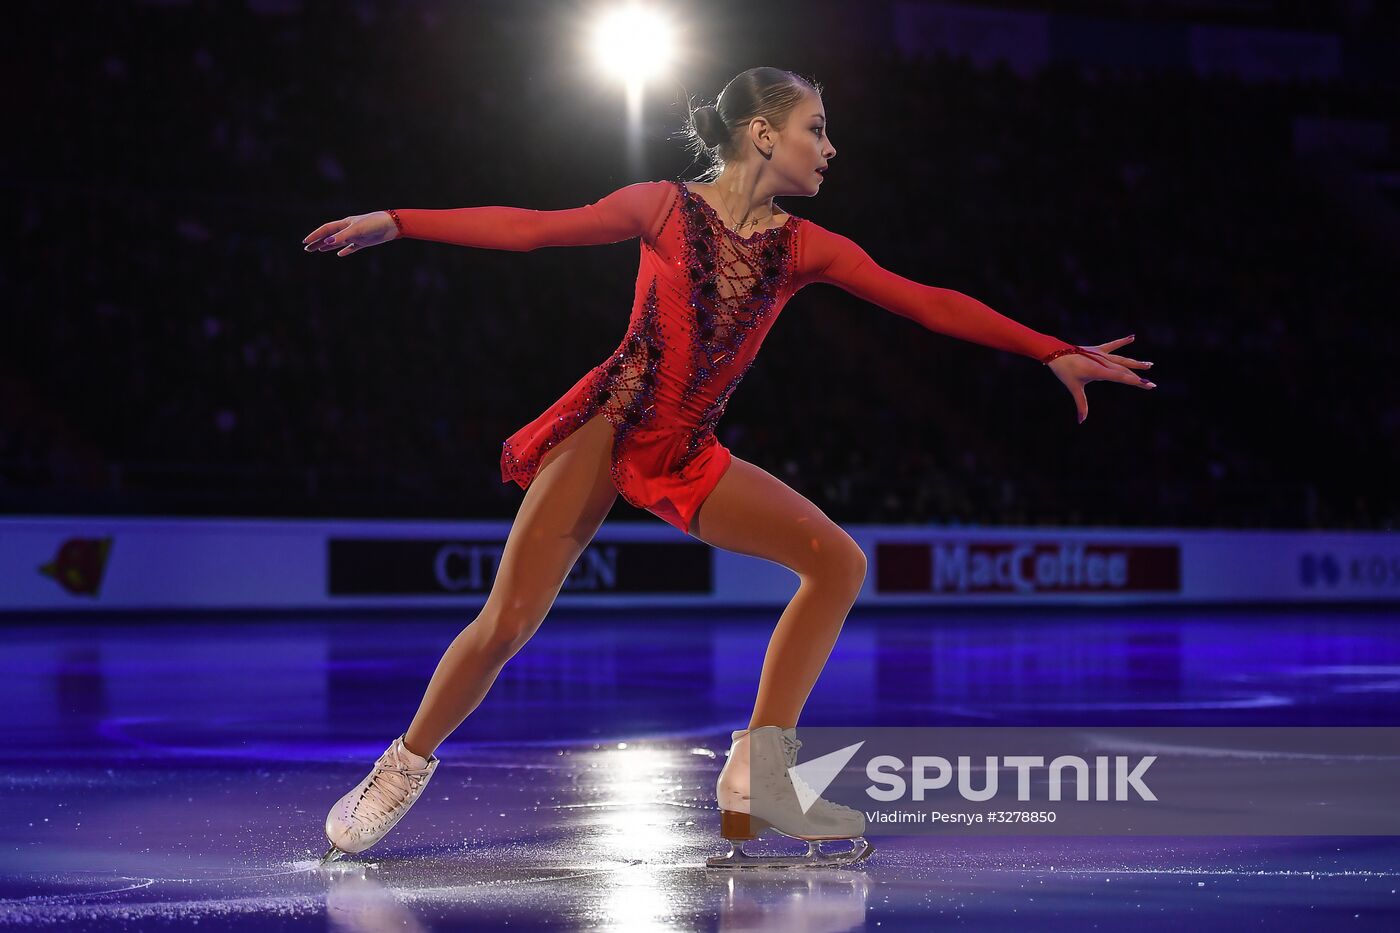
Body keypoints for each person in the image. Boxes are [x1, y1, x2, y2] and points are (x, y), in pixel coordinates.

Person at [302, 66, 1155, 868]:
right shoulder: (662, 207)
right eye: (815, 130)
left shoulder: (805, 248)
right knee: (507, 625)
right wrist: (402, 220)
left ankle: (760, 776)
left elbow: (927, 302)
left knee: (837, 561)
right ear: (760, 133)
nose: (830, 148)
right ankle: (402, 766)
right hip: (610, 425)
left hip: (687, 447)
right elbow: (531, 229)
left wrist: (1052, 350)